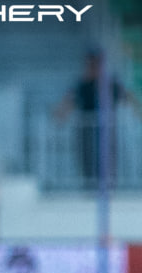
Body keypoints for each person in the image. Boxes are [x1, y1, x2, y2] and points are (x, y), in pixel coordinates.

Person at [54, 49, 141, 186]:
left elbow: (128, 97)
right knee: (87, 156)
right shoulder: (81, 84)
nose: (93, 67)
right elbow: (68, 101)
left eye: (96, 64)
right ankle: (89, 185)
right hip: (87, 128)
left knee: (108, 156)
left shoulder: (111, 83)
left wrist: (137, 111)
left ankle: (109, 184)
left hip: (107, 127)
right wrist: (60, 114)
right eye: (90, 64)